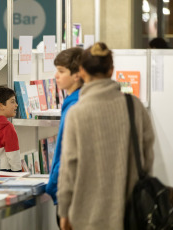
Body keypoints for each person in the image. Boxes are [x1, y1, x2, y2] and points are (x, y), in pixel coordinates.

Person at [57, 42, 155, 230]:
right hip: (131, 213)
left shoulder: (77, 113)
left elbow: (69, 168)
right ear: (111, 70)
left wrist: (64, 210)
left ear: (82, 72)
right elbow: (147, 157)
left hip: (86, 216)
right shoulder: (134, 106)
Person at [46, 47, 83, 209]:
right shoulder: (75, 101)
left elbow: (67, 152)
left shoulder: (75, 106)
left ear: (77, 75)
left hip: (70, 195)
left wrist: (53, 187)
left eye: (61, 71)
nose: (56, 76)